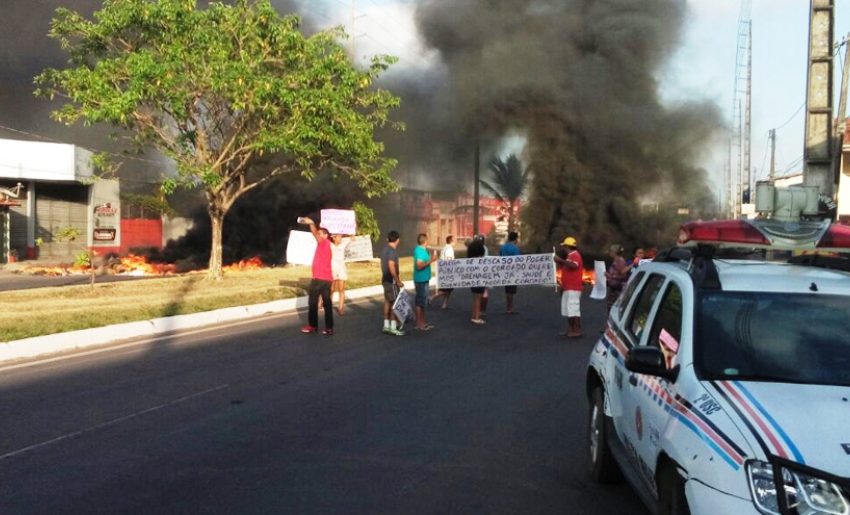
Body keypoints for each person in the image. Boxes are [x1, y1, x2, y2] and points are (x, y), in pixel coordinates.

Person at [298, 217, 334, 336]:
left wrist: (311, 223)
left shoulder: (324, 243)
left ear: (325, 235)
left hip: (321, 279)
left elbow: (314, 233)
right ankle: (323, 327)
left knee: (316, 303)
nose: (317, 235)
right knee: (322, 303)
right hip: (323, 279)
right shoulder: (324, 245)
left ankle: (317, 326)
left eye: (320, 233)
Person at [553, 236, 583, 338]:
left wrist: (560, 260)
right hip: (568, 287)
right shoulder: (571, 256)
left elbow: (574, 266)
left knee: (573, 309)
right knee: (569, 309)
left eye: (564, 246)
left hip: (573, 288)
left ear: (567, 246)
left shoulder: (575, 256)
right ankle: (571, 329)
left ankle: (576, 330)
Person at [381, 230, 405, 336]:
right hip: (392, 281)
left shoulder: (384, 250)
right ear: (397, 240)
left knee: (387, 301)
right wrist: (398, 280)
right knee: (395, 304)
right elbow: (391, 266)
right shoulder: (392, 251)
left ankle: (386, 325)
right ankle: (393, 327)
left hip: (385, 280)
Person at [413, 233, 438, 331]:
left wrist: (431, 258)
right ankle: (419, 324)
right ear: (425, 241)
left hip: (424, 279)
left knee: (423, 302)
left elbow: (424, 262)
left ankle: (423, 323)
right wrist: (431, 260)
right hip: (421, 280)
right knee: (420, 302)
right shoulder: (419, 250)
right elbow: (419, 266)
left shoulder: (423, 250)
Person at [429, 235, 455, 309]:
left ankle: (445, 303)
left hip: (443, 270)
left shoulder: (444, 248)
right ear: (451, 241)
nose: (455, 241)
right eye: (454, 240)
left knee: (449, 289)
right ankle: (432, 297)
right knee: (446, 289)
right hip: (448, 271)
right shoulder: (449, 249)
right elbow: (449, 260)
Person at [467, 234, 487, 324]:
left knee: (475, 298)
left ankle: (474, 315)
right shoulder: (480, 260)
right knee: (478, 297)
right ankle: (476, 317)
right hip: (480, 278)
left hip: (472, 278)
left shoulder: (470, 257)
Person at [499, 231, 521, 313]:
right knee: (511, 291)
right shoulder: (515, 248)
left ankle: (508, 307)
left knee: (507, 290)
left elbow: (500, 257)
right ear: (516, 239)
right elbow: (518, 260)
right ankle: (510, 308)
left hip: (505, 270)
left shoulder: (503, 247)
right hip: (513, 271)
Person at [330, 234, 352, 314]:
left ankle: (341, 308)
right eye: (338, 237)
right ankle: (328, 304)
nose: (340, 238)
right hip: (332, 270)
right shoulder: (330, 245)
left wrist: (353, 225)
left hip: (341, 270)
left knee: (341, 289)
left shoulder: (343, 244)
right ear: (333, 238)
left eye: (341, 236)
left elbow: (352, 236)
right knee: (331, 289)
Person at [604, 244, 629, 311]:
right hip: (614, 289)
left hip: (618, 290)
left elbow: (623, 274)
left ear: (615, 252)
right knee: (610, 307)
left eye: (611, 251)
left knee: (613, 309)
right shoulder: (616, 260)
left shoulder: (620, 261)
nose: (610, 252)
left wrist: (611, 276)